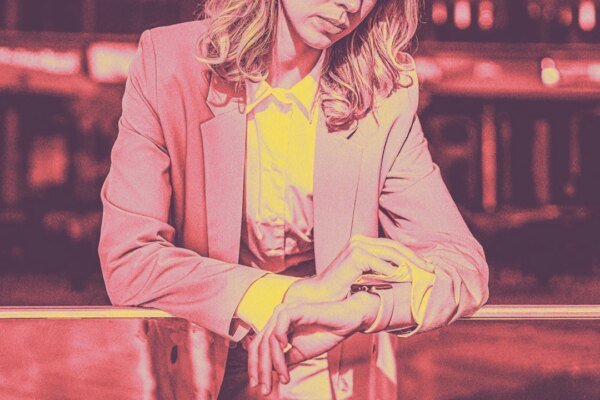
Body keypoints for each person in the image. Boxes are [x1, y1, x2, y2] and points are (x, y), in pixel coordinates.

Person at [98, 0, 489, 398]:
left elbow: (463, 266)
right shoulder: (169, 64)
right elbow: (129, 259)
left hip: (334, 372)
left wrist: (362, 308)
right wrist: (293, 295)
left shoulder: (383, 90)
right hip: (201, 368)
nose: (353, 4)